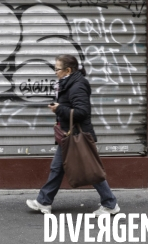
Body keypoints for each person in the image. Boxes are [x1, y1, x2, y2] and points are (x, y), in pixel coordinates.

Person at [26, 54, 120, 215]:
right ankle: (44, 201)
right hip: (69, 136)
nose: (55, 72)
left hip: (77, 137)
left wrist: (59, 109)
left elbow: (82, 112)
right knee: (57, 168)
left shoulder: (77, 86)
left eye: (57, 69)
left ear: (68, 70)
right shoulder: (69, 83)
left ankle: (110, 204)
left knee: (91, 170)